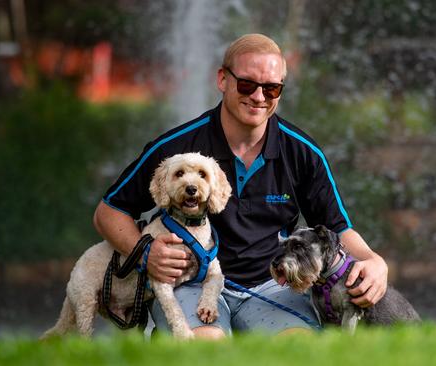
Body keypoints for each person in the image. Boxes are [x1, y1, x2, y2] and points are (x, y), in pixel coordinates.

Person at [93, 33, 388, 339]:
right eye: (247, 84)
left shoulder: (303, 152)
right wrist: (145, 252)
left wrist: (374, 260)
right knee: (206, 346)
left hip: (275, 285)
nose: (259, 97)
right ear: (223, 79)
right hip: (192, 282)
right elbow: (108, 211)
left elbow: (337, 227)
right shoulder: (178, 147)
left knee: (298, 349)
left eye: (272, 88)